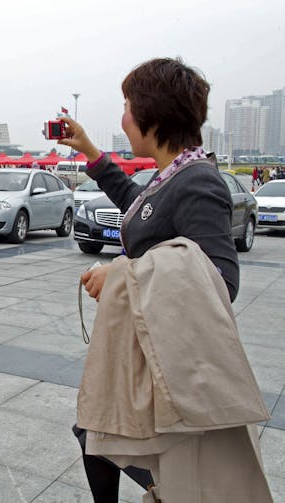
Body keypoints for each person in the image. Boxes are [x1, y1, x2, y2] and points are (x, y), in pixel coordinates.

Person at [57, 58, 272, 502]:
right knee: (98, 430)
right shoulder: (174, 174)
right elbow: (143, 206)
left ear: (151, 114)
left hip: (168, 356)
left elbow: (219, 279)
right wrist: (92, 153)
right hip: (148, 343)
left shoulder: (199, 182)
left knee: (101, 432)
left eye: (127, 105)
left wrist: (120, 274)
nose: (124, 115)